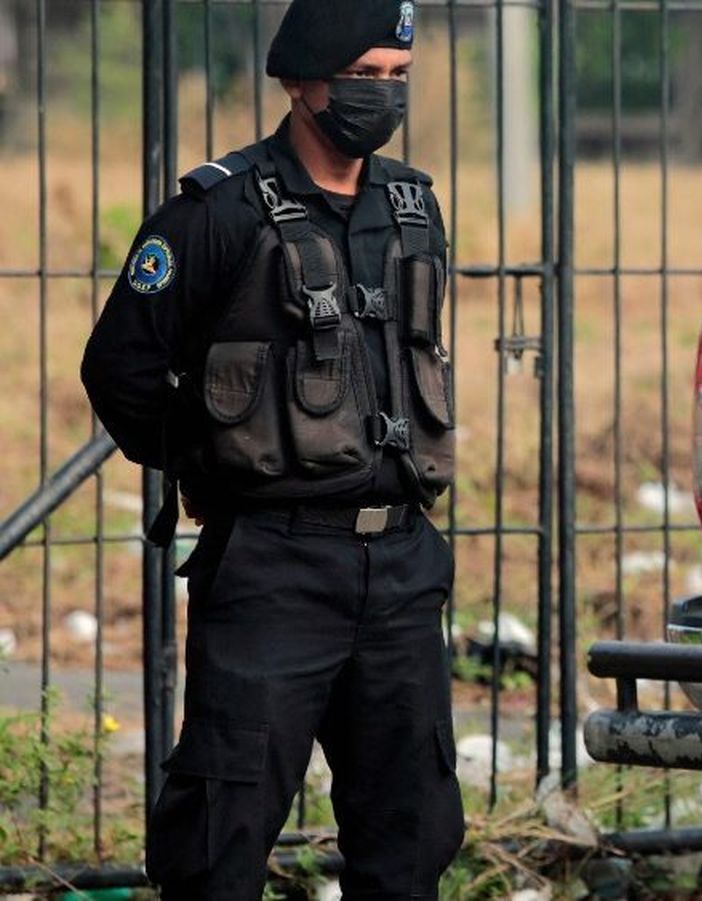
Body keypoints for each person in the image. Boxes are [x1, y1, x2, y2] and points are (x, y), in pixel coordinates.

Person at [80, 1, 462, 897]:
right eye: (364, 76)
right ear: (302, 81)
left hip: (403, 568)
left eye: (398, 77)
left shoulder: (414, 209)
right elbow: (121, 370)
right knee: (222, 835)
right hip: (273, 569)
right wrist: (208, 465)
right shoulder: (216, 212)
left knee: (413, 838)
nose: (384, 96)